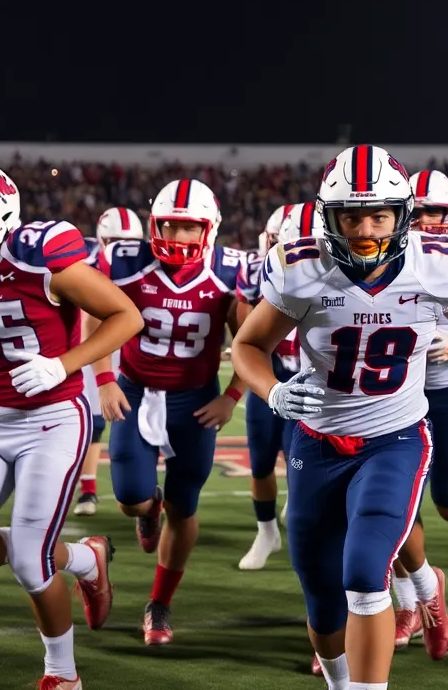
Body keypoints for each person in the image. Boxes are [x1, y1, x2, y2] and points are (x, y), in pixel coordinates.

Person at [231, 145, 448, 690]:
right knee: (320, 589)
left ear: (402, 215)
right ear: (327, 216)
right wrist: (274, 393)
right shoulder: (301, 267)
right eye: (350, 215)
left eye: (379, 214)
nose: (364, 229)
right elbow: (247, 346)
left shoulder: (436, 262)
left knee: (363, 572)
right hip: (317, 443)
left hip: (395, 439)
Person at [0, 163, 141, 690]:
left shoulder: (43, 254)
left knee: (30, 561)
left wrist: (64, 365)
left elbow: (126, 316)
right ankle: (87, 558)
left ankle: (62, 675)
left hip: (53, 419)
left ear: (0, 212)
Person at [91, 179, 246, 646]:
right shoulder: (126, 261)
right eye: (169, 226)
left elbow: (251, 339)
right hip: (136, 390)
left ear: (210, 230)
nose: (177, 238)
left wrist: (232, 396)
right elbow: (96, 314)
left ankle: (159, 604)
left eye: (188, 228)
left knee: (185, 507)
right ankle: (147, 509)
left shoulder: (228, 271)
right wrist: (103, 378)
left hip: (195, 400)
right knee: (131, 498)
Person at [386, 170, 448, 659]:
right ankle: (407, 605)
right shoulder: (390, 252)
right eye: (414, 213)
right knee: (400, 509)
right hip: (402, 395)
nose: (423, 222)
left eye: (433, 212)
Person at [236, 203, 320, 572]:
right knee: (260, 460)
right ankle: (266, 530)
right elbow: (245, 327)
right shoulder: (260, 268)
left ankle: (305, 523)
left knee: (301, 465)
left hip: (314, 381)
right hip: (273, 376)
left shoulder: (340, 273)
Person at [74, 206, 144, 516]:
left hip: (130, 344)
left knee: (143, 423)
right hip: (92, 343)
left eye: (126, 241)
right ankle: (87, 489)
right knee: (92, 421)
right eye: (113, 240)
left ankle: (145, 489)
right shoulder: (82, 262)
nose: (119, 247)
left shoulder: (146, 263)